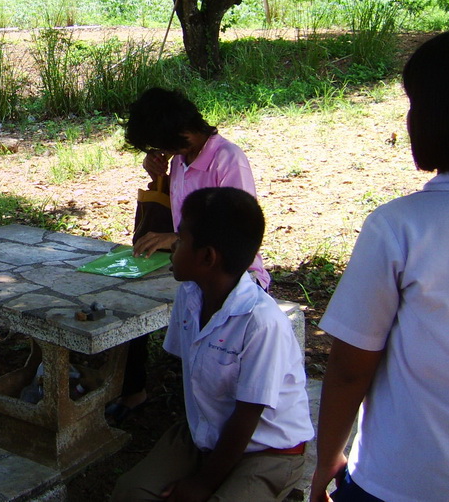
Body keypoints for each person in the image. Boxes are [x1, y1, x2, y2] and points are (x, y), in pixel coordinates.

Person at [311, 27, 449, 501]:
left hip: (401, 481)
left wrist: (328, 457)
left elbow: (350, 368)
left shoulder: (397, 228)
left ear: (431, 120)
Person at [111, 187, 312, 502]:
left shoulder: (261, 322)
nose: (173, 247)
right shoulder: (189, 295)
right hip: (205, 433)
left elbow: (247, 417)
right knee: (132, 493)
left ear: (207, 257)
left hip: (267, 449)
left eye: (180, 240)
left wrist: (202, 483)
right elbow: (184, 368)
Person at [111, 87, 267, 421]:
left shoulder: (228, 159)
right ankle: (134, 389)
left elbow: (238, 233)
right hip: (189, 265)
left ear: (177, 133)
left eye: (160, 144)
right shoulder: (180, 160)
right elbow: (185, 211)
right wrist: (159, 177)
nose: (160, 151)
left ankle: (208, 411)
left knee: (211, 339)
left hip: (232, 274)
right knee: (129, 298)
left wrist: (174, 239)